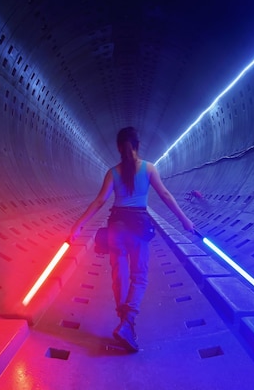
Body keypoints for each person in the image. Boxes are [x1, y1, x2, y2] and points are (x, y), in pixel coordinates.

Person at [69, 127, 194, 352]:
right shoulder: (148, 169)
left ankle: (123, 323)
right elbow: (165, 195)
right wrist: (184, 220)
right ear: (138, 145)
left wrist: (78, 225)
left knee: (120, 276)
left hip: (116, 228)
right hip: (138, 228)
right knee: (140, 277)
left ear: (118, 147)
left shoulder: (112, 172)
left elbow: (99, 202)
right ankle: (127, 323)